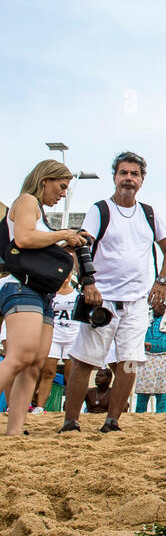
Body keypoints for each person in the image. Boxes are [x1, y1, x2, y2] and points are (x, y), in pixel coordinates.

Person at [60, 152, 166, 434]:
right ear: (115, 177)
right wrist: (87, 283)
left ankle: (112, 421)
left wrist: (161, 281)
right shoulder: (100, 210)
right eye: (123, 173)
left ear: (142, 180)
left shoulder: (149, 213)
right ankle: (71, 421)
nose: (128, 178)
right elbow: (82, 244)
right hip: (102, 299)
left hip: (136, 301)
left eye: (134, 174)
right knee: (85, 360)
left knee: (129, 361)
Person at [0, 161, 87, 437]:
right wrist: (62, 234)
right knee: (19, 356)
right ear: (45, 180)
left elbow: (35, 248)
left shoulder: (40, 213)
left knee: (36, 362)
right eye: (62, 187)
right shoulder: (26, 201)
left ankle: (15, 429)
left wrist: (64, 244)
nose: (63, 194)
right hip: (20, 286)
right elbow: (24, 239)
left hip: (41, 291)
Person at [34, 269, 79, 409]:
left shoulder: (78, 294)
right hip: (53, 335)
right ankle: (40, 407)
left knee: (70, 376)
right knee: (48, 372)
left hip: (72, 336)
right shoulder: (49, 293)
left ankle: (71, 408)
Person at [135, 301, 166, 413]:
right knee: (142, 392)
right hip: (145, 358)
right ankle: (139, 416)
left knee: (163, 392)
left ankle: (162, 417)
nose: (158, 308)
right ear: (152, 305)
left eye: (162, 306)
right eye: (156, 305)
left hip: (165, 359)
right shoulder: (144, 318)